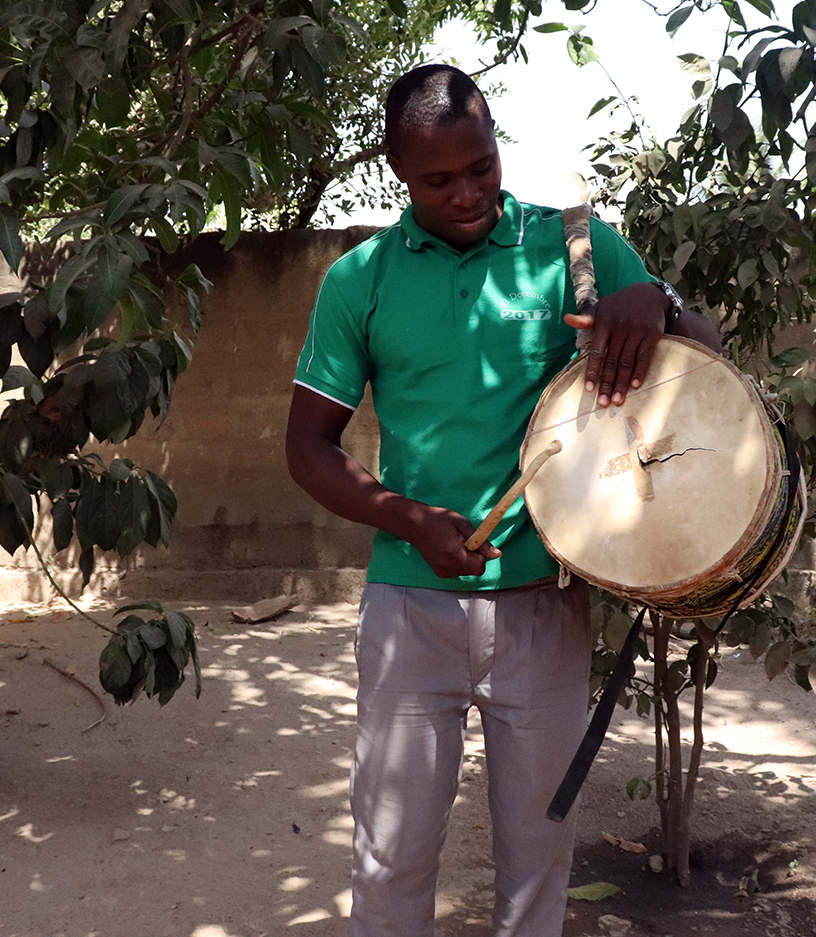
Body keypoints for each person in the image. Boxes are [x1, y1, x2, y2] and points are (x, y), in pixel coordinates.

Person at [284, 64, 720, 937]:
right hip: (411, 604)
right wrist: (407, 519)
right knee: (392, 852)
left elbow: (706, 359)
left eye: (481, 166)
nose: (469, 193)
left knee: (537, 853)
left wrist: (659, 300)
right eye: (438, 180)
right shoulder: (359, 281)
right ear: (398, 172)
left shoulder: (575, 249)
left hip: (545, 605)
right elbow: (307, 448)